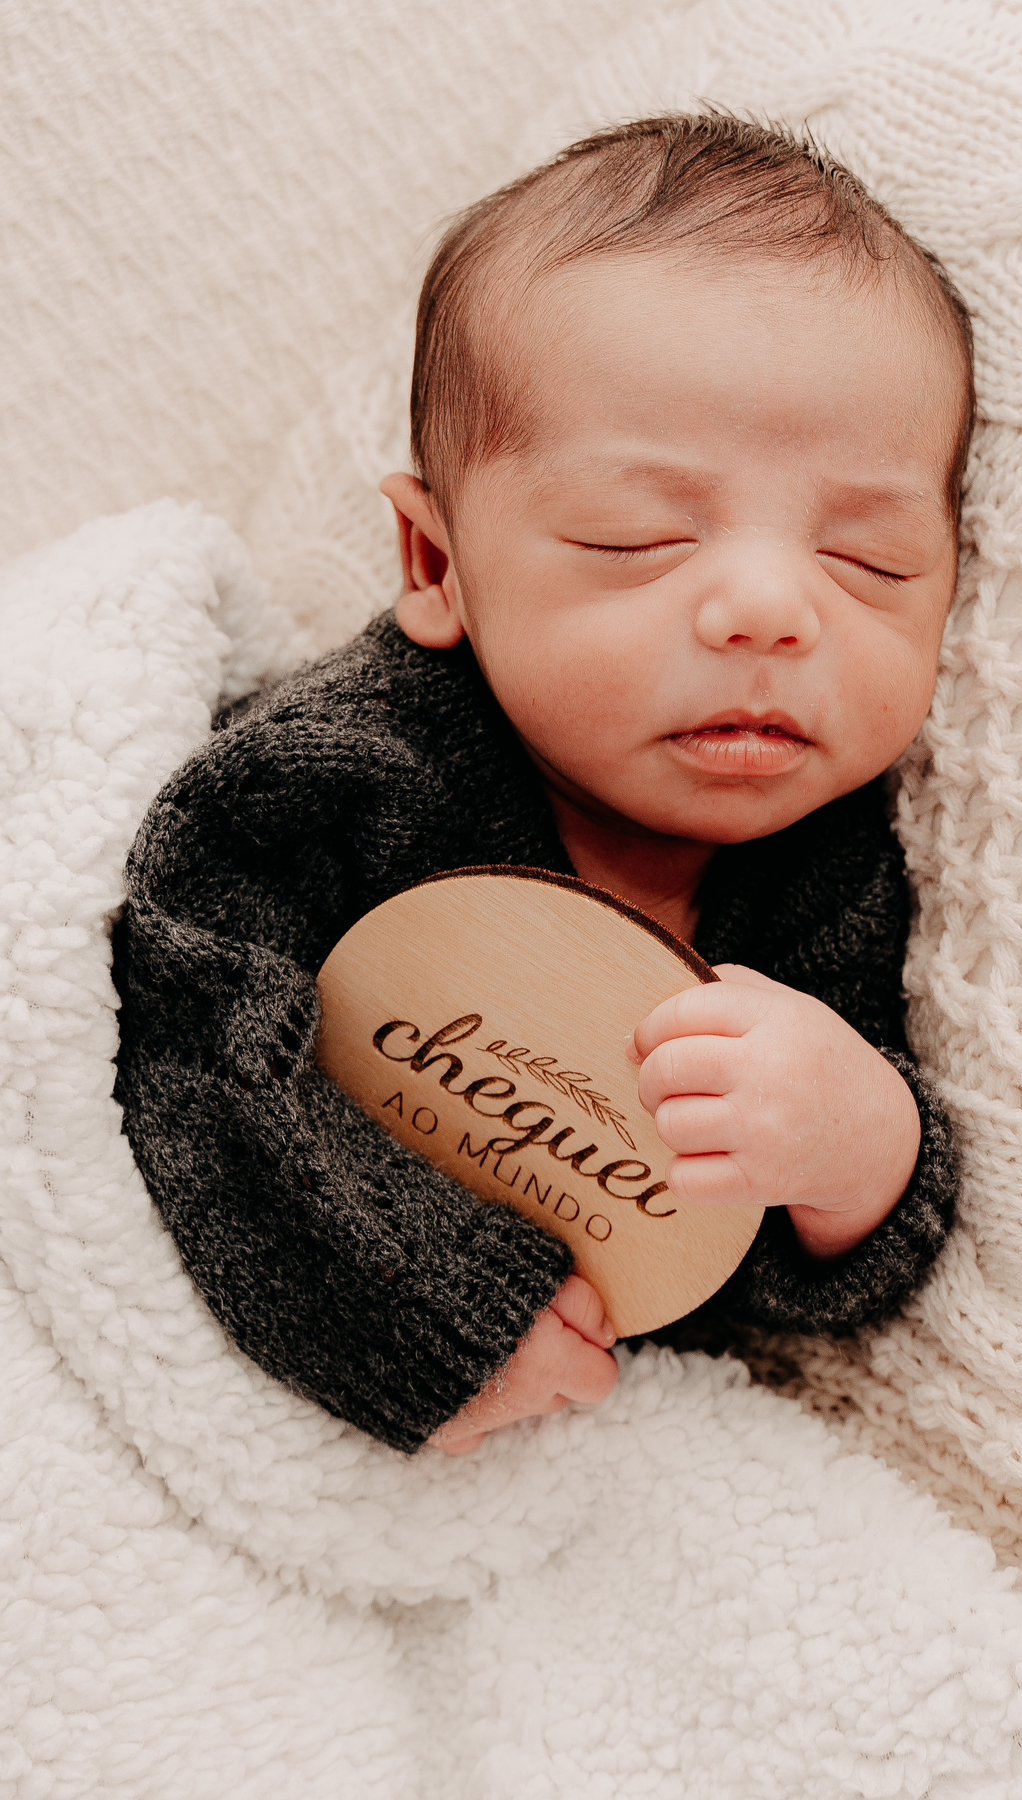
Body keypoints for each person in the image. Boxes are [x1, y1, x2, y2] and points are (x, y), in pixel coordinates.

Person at [113, 111, 970, 1457]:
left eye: (871, 563)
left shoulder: (828, 869)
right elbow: (178, 1024)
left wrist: (859, 1156)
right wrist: (412, 1312)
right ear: (435, 564)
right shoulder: (349, 770)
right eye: (639, 538)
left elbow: (780, 1293)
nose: (769, 610)